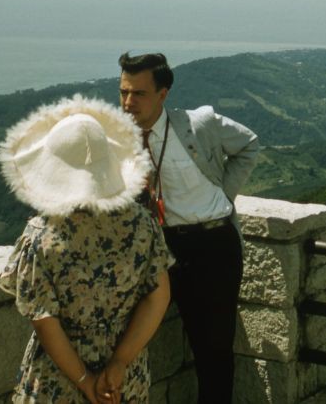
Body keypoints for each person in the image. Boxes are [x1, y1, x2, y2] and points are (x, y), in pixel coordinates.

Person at [0, 95, 172, 403]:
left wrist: (85, 381)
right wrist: (119, 362)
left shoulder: (41, 236)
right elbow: (158, 297)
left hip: (57, 383)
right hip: (123, 381)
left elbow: (43, 318)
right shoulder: (142, 225)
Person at [118, 52, 260, 404]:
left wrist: (223, 195)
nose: (128, 102)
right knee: (127, 339)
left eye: (139, 93)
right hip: (162, 247)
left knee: (214, 349)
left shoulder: (199, 124)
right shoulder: (119, 139)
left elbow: (248, 144)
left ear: (162, 94)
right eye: (123, 92)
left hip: (213, 245)